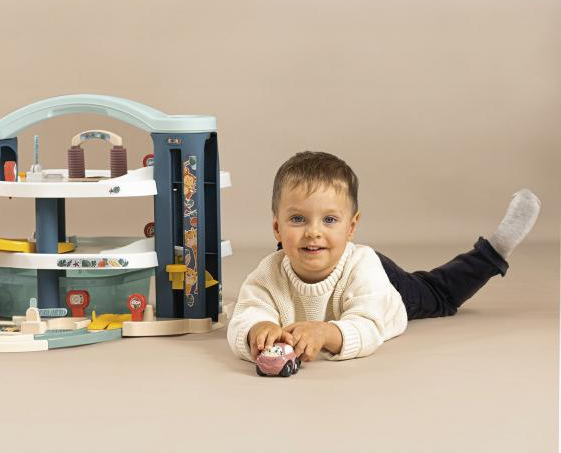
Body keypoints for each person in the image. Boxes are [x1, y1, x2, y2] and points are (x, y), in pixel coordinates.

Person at [227, 151, 541, 362]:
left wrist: (326, 332)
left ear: (351, 227)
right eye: (298, 219)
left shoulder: (364, 268)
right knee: (275, 283)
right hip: (322, 268)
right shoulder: (268, 272)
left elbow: (368, 327)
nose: (313, 232)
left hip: (373, 281)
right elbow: (245, 314)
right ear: (276, 227)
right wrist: (258, 328)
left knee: (439, 295)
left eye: (330, 220)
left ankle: (493, 251)